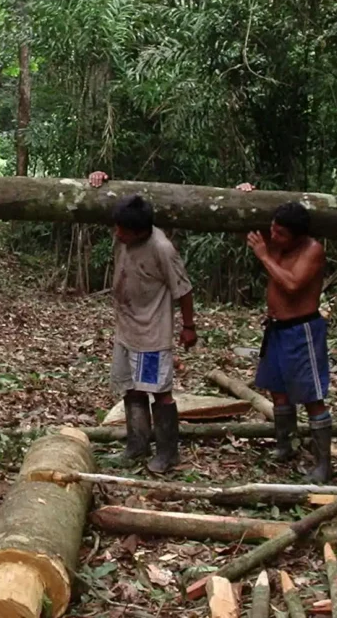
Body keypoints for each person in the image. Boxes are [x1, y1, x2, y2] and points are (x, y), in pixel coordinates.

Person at [89, 172, 198, 473]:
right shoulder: (126, 233)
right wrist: (101, 178)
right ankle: (136, 446)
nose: (116, 233)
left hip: (151, 335)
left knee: (158, 391)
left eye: (122, 230)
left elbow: (184, 290)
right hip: (126, 330)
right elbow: (110, 198)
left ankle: (167, 453)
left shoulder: (162, 249)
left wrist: (189, 327)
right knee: (130, 389)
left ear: (139, 232)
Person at [239, 185, 331, 482]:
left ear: (298, 236)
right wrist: (246, 192)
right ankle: (285, 445)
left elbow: (292, 284)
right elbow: (241, 221)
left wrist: (264, 255)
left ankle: (323, 464)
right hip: (277, 329)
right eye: (273, 230)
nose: (274, 236)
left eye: (280, 234)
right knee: (278, 391)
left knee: (312, 396)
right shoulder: (277, 242)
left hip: (301, 329)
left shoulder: (312, 249)